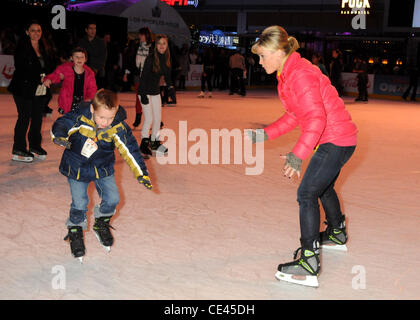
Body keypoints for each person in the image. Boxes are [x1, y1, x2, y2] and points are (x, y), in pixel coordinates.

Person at [249, 25, 357, 287]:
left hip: (334, 138)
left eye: (262, 55)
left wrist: (297, 156)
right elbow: (296, 115)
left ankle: (309, 259)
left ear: (277, 52)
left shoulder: (299, 75)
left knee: (307, 193)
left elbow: (316, 119)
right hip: (340, 138)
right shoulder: (288, 74)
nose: (259, 61)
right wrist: (267, 134)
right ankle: (337, 232)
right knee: (323, 187)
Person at [51, 89, 152, 262]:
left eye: (110, 118)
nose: (105, 122)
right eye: (101, 117)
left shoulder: (117, 126)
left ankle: (101, 223)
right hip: (77, 167)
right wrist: (59, 135)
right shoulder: (79, 117)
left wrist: (141, 173)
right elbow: (62, 123)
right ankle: (75, 230)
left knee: (113, 198)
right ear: (92, 110)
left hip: (102, 167)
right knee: (80, 202)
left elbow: (131, 150)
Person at [8, 20, 55, 162]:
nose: (36, 33)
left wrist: (50, 77)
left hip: (40, 89)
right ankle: (19, 148)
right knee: (24, 117)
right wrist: (39, 78)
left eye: (39, 30)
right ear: (27, 32)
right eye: (33, 30)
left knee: (37, 118)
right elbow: (21, 68)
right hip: (23, 88)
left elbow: (50, 65)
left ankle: (35, 146)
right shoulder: (21, 47)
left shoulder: (44, 47)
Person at [138, 34, 173, 158]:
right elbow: (143, 78)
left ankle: (155, 143)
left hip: (155, 92)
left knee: (158, 119)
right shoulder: (151, 58)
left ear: (167, 45)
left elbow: (168, 76)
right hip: (145, 91)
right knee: (149, 119)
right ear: (156, 45)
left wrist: (170, 87)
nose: (162, 46)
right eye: (159, 43)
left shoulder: (167, 58)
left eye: (164, 43)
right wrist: (142, 94)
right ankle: (143, 144)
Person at [43, 47, 97, 114]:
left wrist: (89, 98)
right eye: (76, 57)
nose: (79, 59)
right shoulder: (65, 68)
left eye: (82, 57)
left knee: (79, 121)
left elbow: (92, 88)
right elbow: (56, 74)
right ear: (71, 58)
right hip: (67, 101)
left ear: (85, 59)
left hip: (83, 102)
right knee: (67, 122)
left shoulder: (89, 73)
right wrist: (49, 79)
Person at [123, 27, 153, 128]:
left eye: (142, 34)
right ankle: (138, 117)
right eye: (139, 34)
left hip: (149, 77)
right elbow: (130, 60)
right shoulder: (135, 46)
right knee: (139, 98)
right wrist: (126, 73)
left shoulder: (152, 48)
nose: (139, 36)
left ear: (147, 35)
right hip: (137, 75)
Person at [78, 21, 107, 89]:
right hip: (84, 71)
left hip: (98, 72)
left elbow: (103, 58)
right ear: (86, 30)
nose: (93, 31)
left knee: (97, 95)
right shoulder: (81, 41)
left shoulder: (101, 42)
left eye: (95, 28)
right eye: (91, 28)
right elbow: (78, 55)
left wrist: (95, 69)